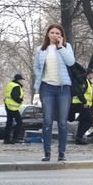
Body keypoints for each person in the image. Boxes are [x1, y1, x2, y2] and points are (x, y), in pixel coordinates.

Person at [33, 24, 75, 162]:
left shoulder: (66, 47)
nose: (55, 35)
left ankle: (62, 153)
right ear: (47, 34)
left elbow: (71, 62)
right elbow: (36, 67)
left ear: (61, 35)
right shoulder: (40, 49)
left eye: (58, 33)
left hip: (63, 89)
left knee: (62, 122)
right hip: (47, 88)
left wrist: (61, 47)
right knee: (47, 121)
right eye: (52, 32)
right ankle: (47, 153)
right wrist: (40, 78)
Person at [3, 73, 25, 144]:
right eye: (21, 80)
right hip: (13, 107)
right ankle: (15, 138)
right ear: (18, 80)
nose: (22, 81)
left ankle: (6, 139)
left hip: (7, 105)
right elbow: (15, 96)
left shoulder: (10, 84)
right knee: (19, 122)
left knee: (9, 122)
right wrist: (20, 100)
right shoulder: (16, 86)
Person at [74, 70, 93, 145]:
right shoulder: (85, 82)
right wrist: (84, 102)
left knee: (82, 121)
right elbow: (80, 93)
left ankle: (79, 138)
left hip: (84, 105)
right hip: (83, 105)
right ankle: (79, 136)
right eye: (92, 74)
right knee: (89, 121)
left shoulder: (87, 82)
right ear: (88, 74)